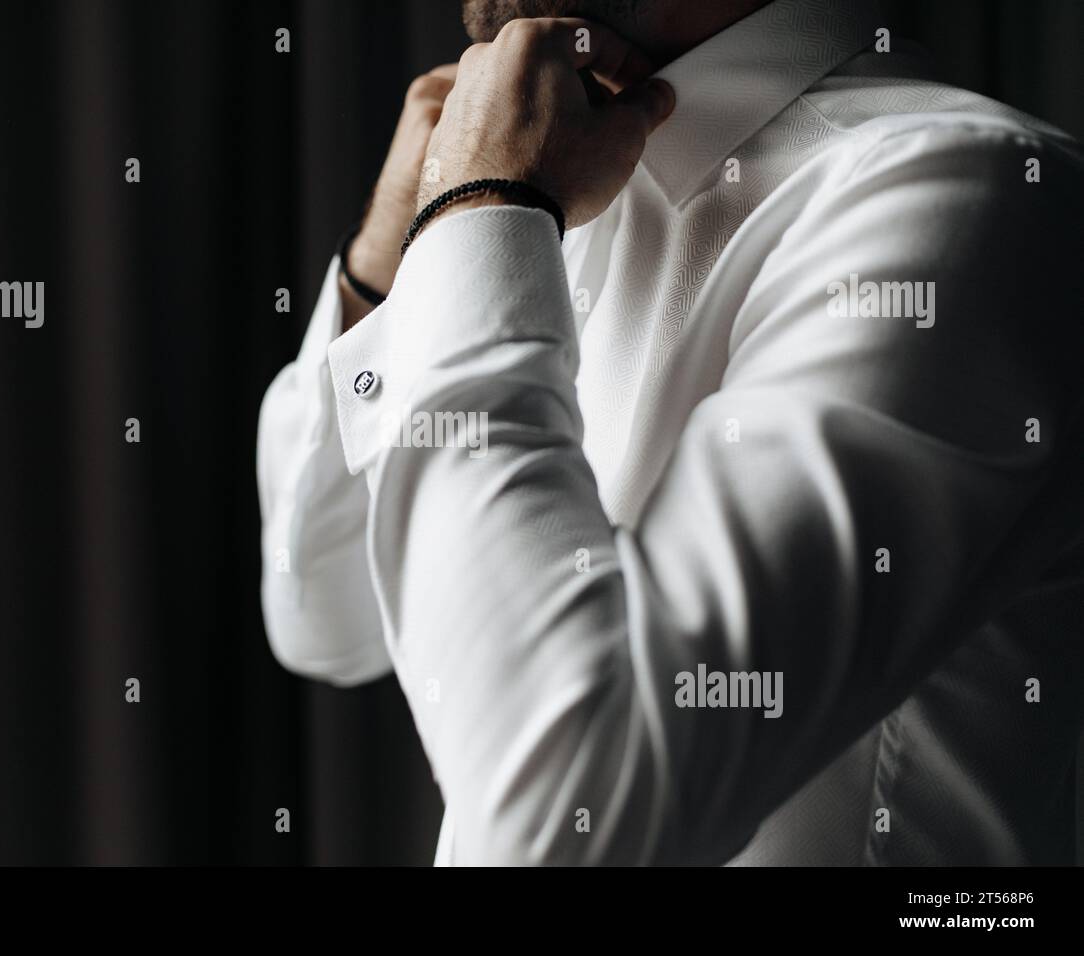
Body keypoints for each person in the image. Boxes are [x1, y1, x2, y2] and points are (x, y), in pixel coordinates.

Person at [257, 0, 1084, 864]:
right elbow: (323, 614)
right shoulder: (547, 174)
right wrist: (394, 260)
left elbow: (568, 826)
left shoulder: (960, 194)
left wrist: (476, 213)